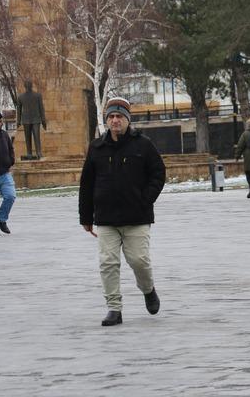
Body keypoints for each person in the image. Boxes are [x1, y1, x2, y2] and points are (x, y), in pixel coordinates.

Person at [79, 97, 166, 327]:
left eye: (119, 117)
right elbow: (86, 183)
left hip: (136, 217)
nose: (115, 120)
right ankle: (114, 308)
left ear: (128, 120)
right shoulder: (96, 147)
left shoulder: (143, 145)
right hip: (106, 217)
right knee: (108, 262)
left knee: (139, 260)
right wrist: (86, 217)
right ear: (106, 120)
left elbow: (158, 174)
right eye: (111, 117)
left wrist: (145, 200)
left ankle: (148, 290)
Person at [16, 80, 47, 159]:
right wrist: (18, 121)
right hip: (29, 120)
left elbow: (41, 108)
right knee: (29, 137)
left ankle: (37, 152)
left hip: (34, 120)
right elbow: (19, 110)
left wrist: (43, 120)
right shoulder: (21, 97)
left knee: (34, 137)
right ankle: (30, 153)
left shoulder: (37, 96)